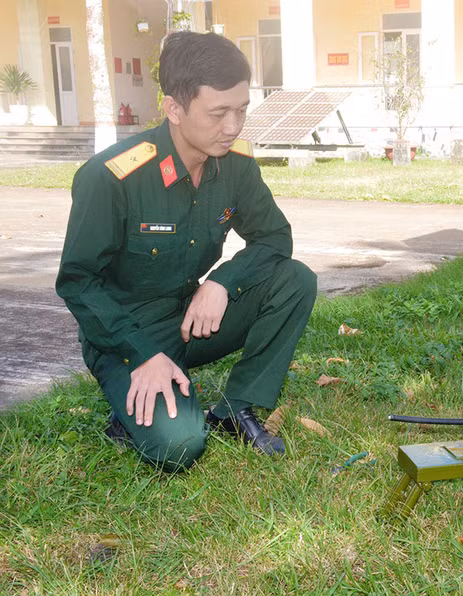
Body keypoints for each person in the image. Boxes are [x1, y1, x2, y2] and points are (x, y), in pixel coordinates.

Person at [56, 31, 317, 472]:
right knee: (178, 447)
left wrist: (221, 281)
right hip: (124, 333)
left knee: (294, 279)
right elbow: (78, 282)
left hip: (192, 319)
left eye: (241, 110)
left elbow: (275, 237)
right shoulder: (112, 177)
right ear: (174, 108)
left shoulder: (235, 167)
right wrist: (141, 353)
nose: (233, 127)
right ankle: (131, 410)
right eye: (218, 113)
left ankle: (235, 409)